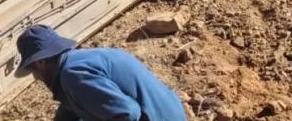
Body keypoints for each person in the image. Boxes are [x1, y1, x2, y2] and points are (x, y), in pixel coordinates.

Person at [16, 25, 187, 121]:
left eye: (32, 70)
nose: (36, 78)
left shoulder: (73, 75)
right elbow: (72, 107)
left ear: (41, 62)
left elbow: (128, 114)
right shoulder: (78, 63)